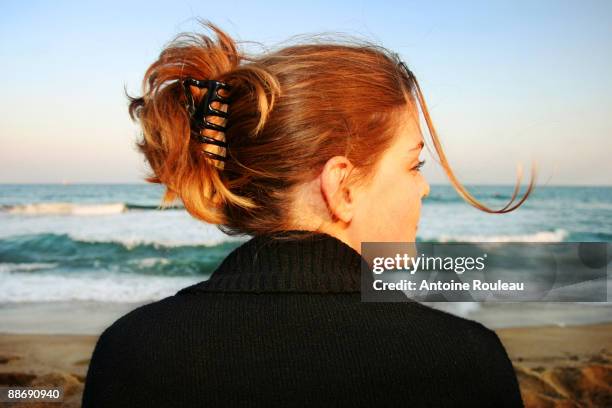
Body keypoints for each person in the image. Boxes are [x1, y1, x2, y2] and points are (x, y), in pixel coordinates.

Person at [82, 20, 533, 407]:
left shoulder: (130, 350)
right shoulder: (464, 362)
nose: (424, 186)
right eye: (413, 163)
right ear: (341, 186)